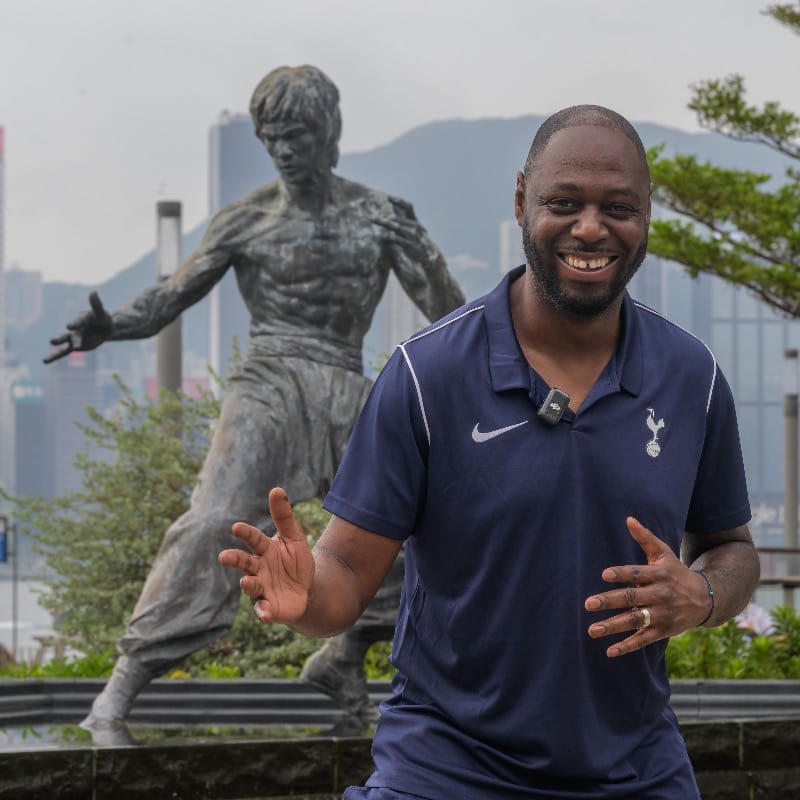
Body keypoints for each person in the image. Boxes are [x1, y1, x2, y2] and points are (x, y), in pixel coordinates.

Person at [219, 105, 761, 798]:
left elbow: (732, 547)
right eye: (563, 203)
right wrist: (303, 596)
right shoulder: (427, 375)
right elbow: (346, 578)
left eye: (617, 207)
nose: (590, 228)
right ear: (520, 201)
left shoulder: (693, 378)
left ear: (646, 215)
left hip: (636, 772)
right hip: (446, 772)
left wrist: (706, 595)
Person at [44, 64, 464, 732]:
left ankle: (344, 655)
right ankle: (120, 688)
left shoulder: (384, 217)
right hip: (268, 381)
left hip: (349, 387)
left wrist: (439, 268)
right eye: (273, 138)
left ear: (328, 132)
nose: (287, 150)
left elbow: (448, 316)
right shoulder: (245, 220)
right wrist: (110, 325)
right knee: (212, 521)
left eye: (297, 133)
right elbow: (168, 297)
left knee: (424, 527)